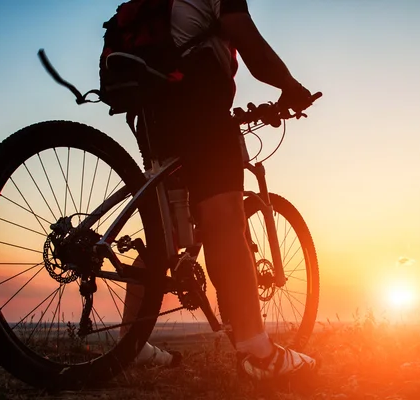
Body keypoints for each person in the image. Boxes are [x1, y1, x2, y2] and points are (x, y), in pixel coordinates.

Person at [121, 0, 318, 380]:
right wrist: (291, 87)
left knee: (167, 232)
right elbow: (253, 49)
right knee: (225, 218)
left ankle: (131, 342)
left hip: (157, 109)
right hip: (197, 99)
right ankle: (259, 353)